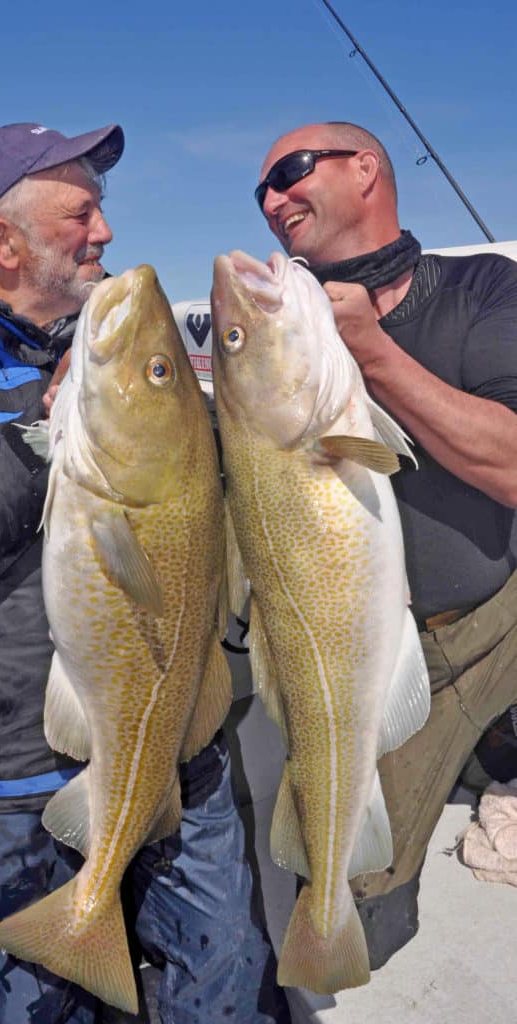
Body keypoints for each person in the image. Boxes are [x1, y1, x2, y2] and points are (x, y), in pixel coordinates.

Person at [0, 121, 290, 1024]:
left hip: (175, 735)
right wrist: (41, 435)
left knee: (228, 979)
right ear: (8, 244)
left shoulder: (107, 339)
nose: (105, 232)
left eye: (103, 211)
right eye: (82, 213)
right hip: (13, 770)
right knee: (44, 1007)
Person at [256, 120, 517, 964]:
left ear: (366, 168)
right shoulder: (281, 334)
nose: (270, 199)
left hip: (499, 612)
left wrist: (370, 349)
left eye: (290, 171)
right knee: (356, 902)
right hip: (381, 651)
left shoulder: (485, 290)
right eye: (258, 189)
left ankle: (496, 753)